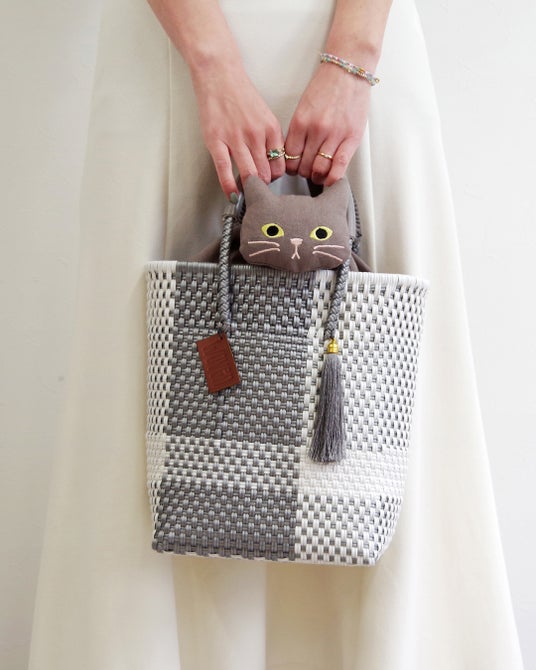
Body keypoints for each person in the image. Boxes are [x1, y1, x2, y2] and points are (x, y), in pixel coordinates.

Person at [29, 0, 524, 668]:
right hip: (172, 47)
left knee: (391, 393)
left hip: (360, 50)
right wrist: (213, 64)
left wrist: (352, 62)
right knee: (138, 397)